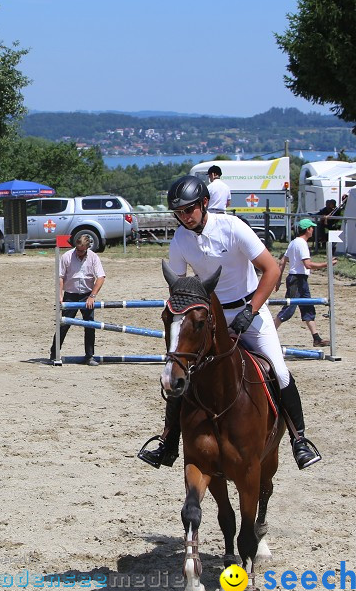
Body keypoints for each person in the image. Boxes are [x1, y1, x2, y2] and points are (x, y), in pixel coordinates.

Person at [137, 175, 322, 470]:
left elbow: (271, 270)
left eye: (188, 210)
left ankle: (299, 440)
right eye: (179, 213)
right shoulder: (180, 240)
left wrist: (251, 309)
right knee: (181, 376)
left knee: (280, 371)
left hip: (251, 310)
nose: (184, 217)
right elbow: (179, 285)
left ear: (204, 203)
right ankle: (167, 443)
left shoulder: (233, 227)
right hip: (212, 318)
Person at [274, 218, 336, 347]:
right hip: (297, 279)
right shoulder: (302, 244)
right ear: (307, 229)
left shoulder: (293, 242)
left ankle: (317, 338)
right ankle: (270, 335)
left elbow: (282, 262)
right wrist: (327, 264)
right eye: (312, 228)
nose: (313, 230)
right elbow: (308, 264)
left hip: (299, 279)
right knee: (288, 309)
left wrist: (278, 280)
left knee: (308, 308)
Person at [49, 232, 106, 364]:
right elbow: (60, 276)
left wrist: (92, 296)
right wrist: (60, 295)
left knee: (90, 325)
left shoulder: (93, 257)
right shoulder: (67, 256)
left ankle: (89, 355)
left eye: (82, 250)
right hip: (70, 294)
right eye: (78, 250)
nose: (79, 253)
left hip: (87, 295)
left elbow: (101, 277)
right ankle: (54, 353)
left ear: (87, 247)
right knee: (63, 325)